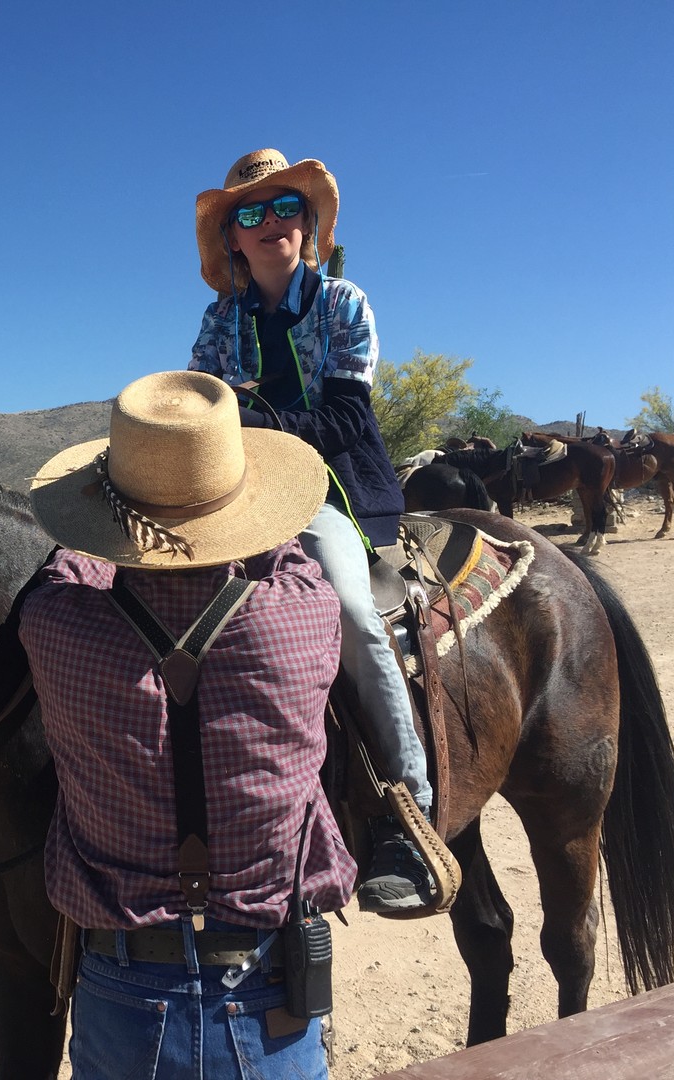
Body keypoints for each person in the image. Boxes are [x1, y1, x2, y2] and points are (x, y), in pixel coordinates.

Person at [20, 369, 355, 1080]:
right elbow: (287, 553)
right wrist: (245, 502)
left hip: (120, 993)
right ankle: (406, 802)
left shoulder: (54, 626)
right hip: (268, 993)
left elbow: (67, 569)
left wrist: (104, 516)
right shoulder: (305, 611)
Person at [189, 147, 434, 913]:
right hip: (238, 493)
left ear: (308, 223)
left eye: (284, 206)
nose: (270, 224)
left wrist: (254, 420)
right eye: (250, 213)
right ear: (232, 238)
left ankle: (408, 805)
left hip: (330, 487)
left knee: (353, 613)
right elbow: (203, 413)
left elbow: (344, 418)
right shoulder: (219, 321)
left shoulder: (343, 304)